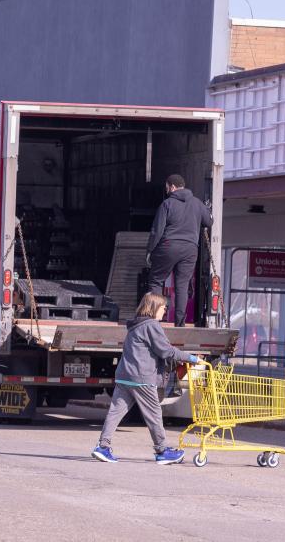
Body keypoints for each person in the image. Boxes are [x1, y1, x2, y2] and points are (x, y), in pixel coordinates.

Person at [92, 292, 202, 464]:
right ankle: (162, 450)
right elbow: (166, 351)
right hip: (141, 378)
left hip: (124, 376)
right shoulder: (151, 325)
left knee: (115, 413)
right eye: (163, 307)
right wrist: (192, 358)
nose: (165, 310)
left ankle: (103, 447)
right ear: (154, 307)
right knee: (154, 414)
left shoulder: (135, 325)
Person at [146, 174, 213, 326]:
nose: (167, 190)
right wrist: (207, 211)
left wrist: (150, 251)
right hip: (190, 249)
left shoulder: (167, 204)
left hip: (169, 246)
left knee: (156, 281)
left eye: (167, 187)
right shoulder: (197, 204)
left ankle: (153, 321)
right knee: (182, 285)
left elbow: (157, 231)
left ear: (173, 187)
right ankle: (180, 324)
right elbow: (209, 221)